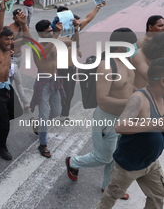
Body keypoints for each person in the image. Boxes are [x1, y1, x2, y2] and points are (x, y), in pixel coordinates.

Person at [66, 28, 137, 200]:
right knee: (103, 157)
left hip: (124, 118)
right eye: (131, 43)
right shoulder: (107, 66)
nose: (135, 46)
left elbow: (128, 87)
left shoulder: (127, 60)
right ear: (120, 46)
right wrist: (131, 102)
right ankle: (72, 162)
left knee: (117, 156)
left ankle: (108, 188)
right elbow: (103, 99)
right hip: (107, 119)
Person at [97, 58, 164, 209]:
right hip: (128, 166)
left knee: (158, 196)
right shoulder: (139, 99)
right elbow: (120, 126)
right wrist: (154, 125)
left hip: (151, 163)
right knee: (110, 198)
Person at [0, 0, 23, 160]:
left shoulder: (10, 48)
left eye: (11, 39)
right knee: (5, 124)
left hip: (7, 86)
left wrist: (24, 23)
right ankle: (1, 147)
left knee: (17, 112)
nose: (9, 41)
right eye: (6, 39)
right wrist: (1, 9)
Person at [28, 19, 70, 157]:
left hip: (55, 80)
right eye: (48, 32)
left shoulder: (54, 40)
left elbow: (73, 41)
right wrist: (56, 35)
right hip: (43, 83)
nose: (51, 33)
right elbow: (43, 55)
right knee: (45, 116)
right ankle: (43, 144)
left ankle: (37, 123)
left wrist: (75, 28)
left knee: (57, 111)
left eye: (51, 31)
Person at [7, 9, 32, 109]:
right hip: (11, 58)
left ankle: (6, 98)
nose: (21, 16)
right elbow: (7, 43)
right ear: (14, 18)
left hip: (19, 57)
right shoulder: (9, 28)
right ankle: (25, 101)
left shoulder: (24, 26)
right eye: (18, 15)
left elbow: (29, 39)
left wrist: (24, 23)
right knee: (18, 81)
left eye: (22, 14)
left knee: (10, 81)